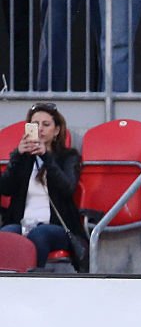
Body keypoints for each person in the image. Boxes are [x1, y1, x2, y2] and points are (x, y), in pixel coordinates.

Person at [0, 102, 86, 270]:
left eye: (46, 125)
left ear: (56, 131)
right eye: (35, 125)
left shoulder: (69, 157)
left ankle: (33, 281)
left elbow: (67, 188)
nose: (40, 129)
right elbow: (5, 188)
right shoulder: (23, 158)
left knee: (39, 235)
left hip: (57, 227)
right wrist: (17, 156)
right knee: (7, 233)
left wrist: (46, 157)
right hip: (22, 223)